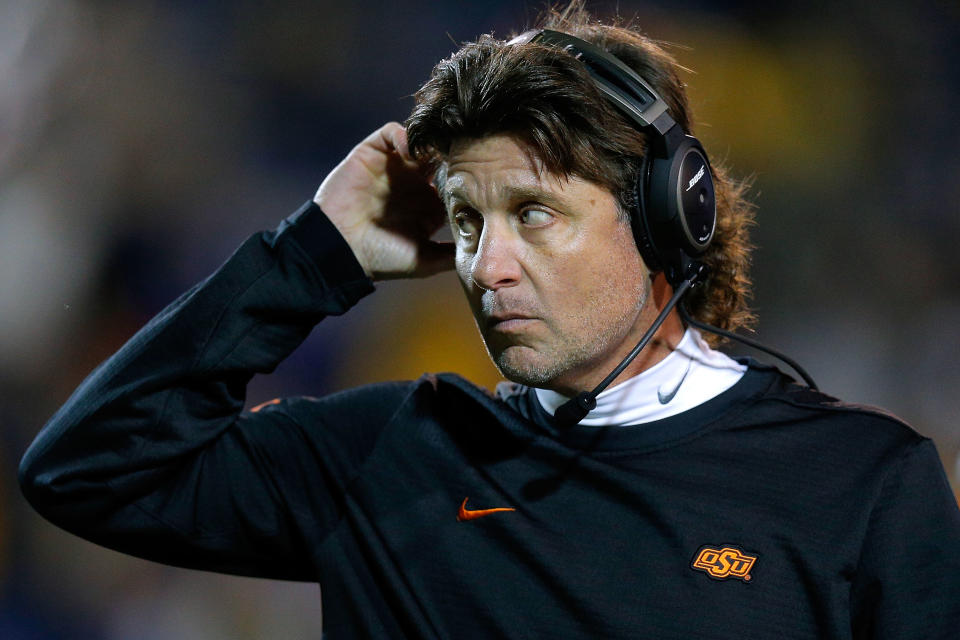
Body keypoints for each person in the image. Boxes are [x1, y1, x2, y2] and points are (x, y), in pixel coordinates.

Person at [18, 4, 960, 639]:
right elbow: (90, 465)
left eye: (534, 214)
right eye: (467, 220)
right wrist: (314, 254)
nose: (486, 265)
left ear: (669, 213)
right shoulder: (384, 457)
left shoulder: (862, 489)